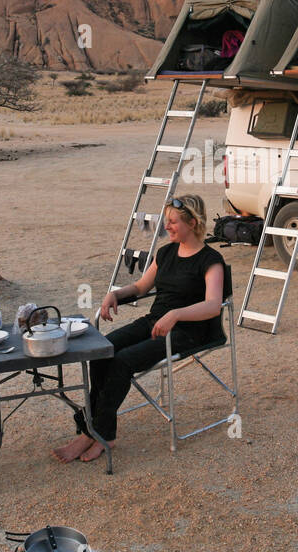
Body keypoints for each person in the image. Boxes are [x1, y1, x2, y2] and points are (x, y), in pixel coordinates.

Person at [53, 194, 225, 463]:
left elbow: (214, 305)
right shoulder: (166, 252)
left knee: (122, 361)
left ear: (192, 223)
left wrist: (176, 315)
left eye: (173, 222)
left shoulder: (210, 260)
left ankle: (99, 434)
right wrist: (116, 294)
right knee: (102, 351)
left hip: (187, 332)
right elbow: (142, 287)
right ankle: (94, 428)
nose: (166, 227)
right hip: (155, 322)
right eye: (166, 221)